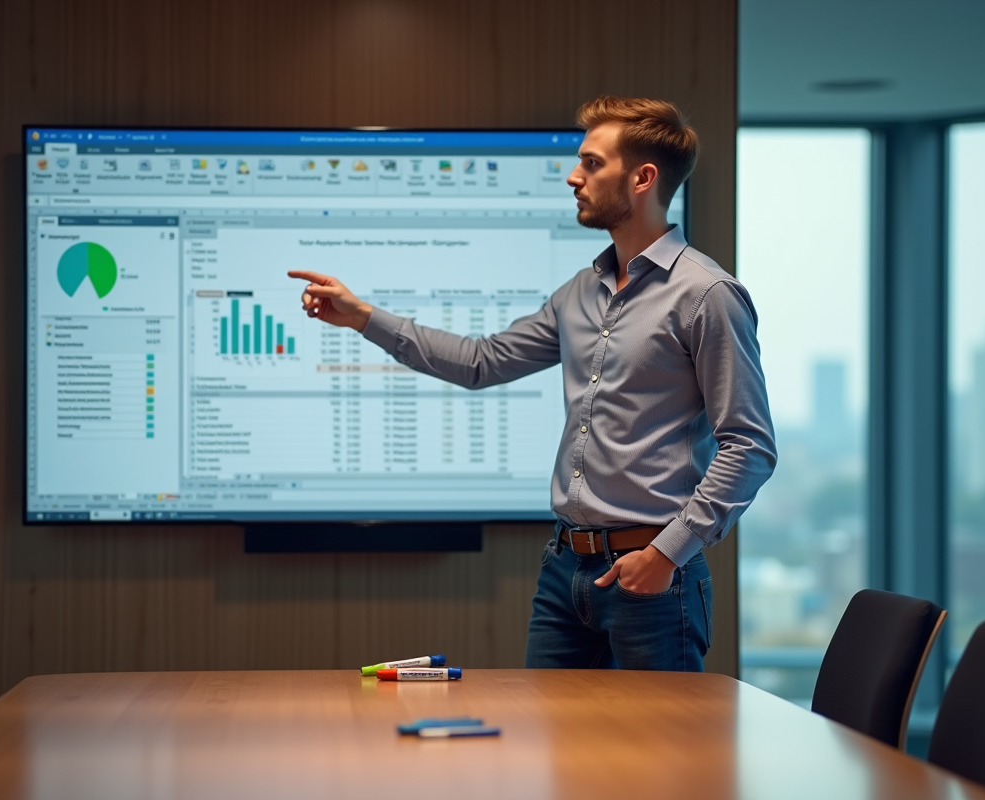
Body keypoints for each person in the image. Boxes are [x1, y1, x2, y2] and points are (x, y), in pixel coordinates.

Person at [289, 96, 777, 671]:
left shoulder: (706, 295)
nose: (574, 176)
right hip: (565, 572)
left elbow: (751, 446)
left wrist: (668, 554)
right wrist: (365, 317)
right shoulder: (579, 292)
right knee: (555, 753)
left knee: (656, 758)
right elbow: (481, 362)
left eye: (592, 163)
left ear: (643, 177)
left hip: (652, 579)